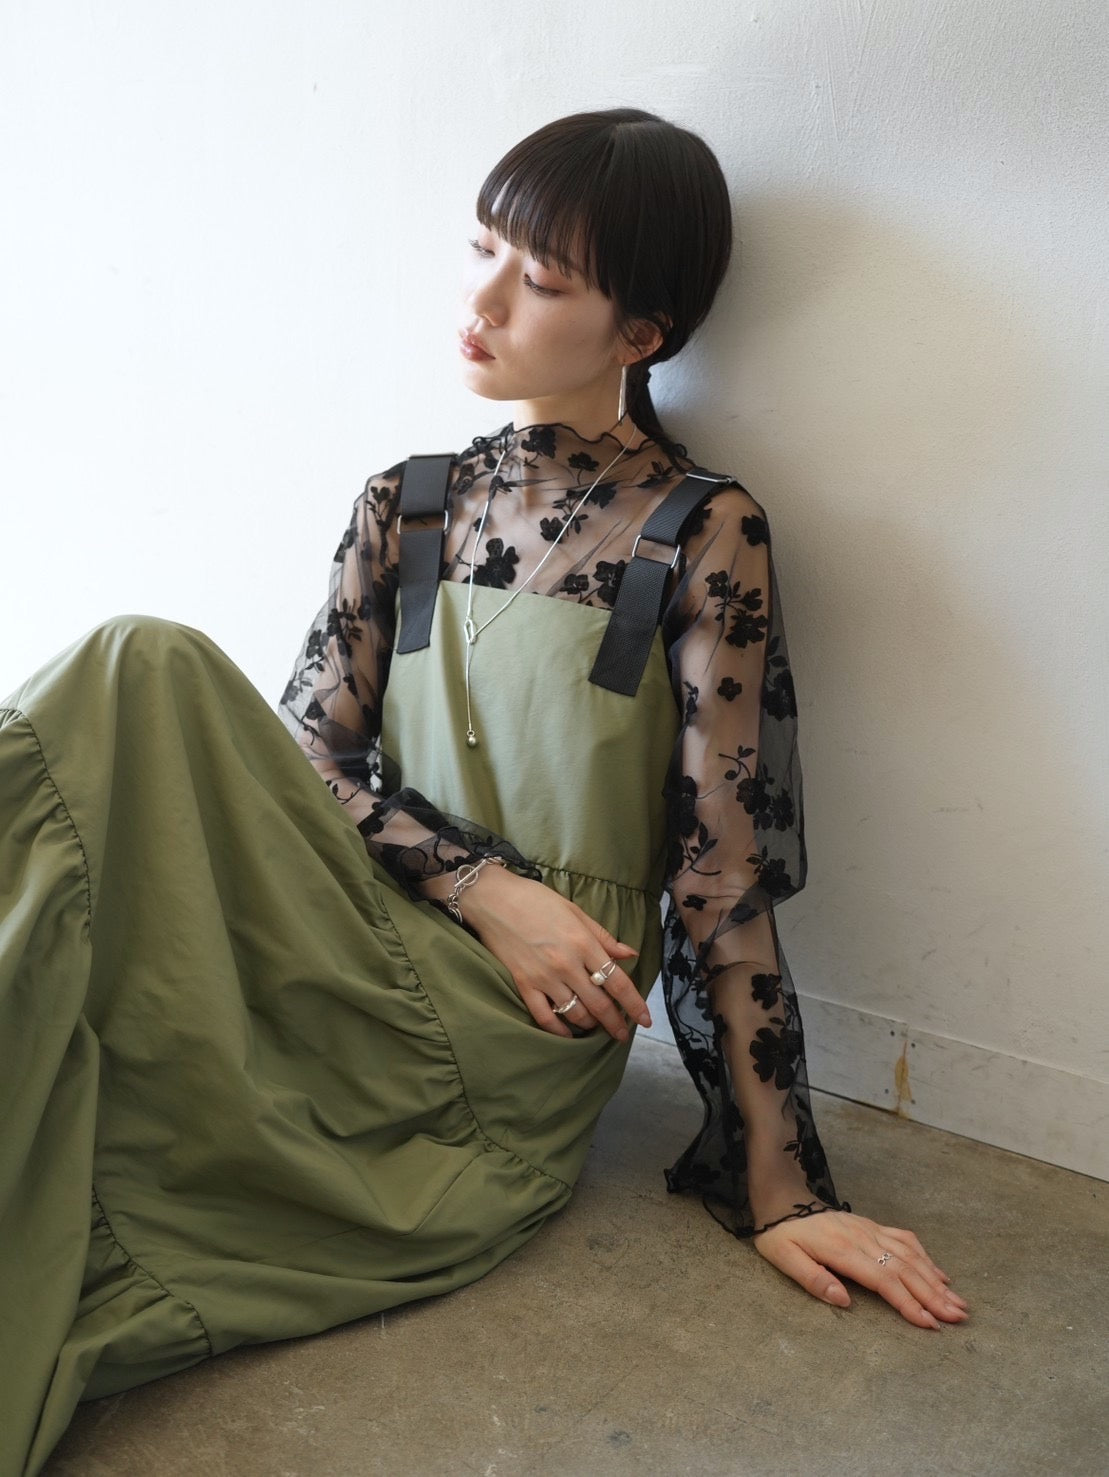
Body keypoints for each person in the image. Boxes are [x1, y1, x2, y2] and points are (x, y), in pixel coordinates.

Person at [0, 107, 967, 1476]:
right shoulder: (405, 500)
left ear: (641, 332)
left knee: (131, 665)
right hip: (372, 921)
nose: (486, 300)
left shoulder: (702, 529)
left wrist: (785, 1189)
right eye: (481, 251)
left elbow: (720, 870)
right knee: (135, 676)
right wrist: (482, 884)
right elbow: (310, 762)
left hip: (519, 1019)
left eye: (544, 280)